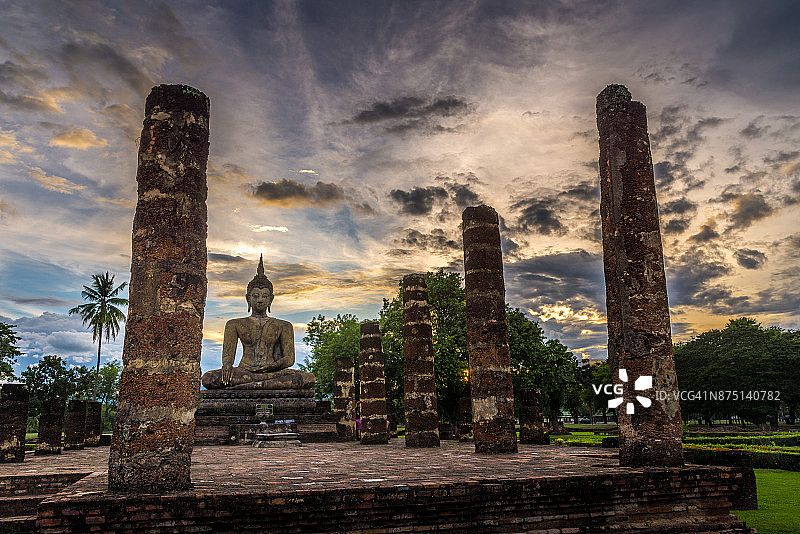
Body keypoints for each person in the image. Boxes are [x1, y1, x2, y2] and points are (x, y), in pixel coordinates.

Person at [201, 255, 315, 390]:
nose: (260, 300)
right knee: (208, 379)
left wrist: (272, 367)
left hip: (273, 372)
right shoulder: (234, 324)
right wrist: (227, 367)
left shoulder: (284, 326)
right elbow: (228, 357)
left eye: (265, 296)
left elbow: (289, 359)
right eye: (255, 296)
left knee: (308, 378)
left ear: (271, 299)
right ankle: (259, 385)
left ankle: (248, 386)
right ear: (248, 299)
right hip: (244, 372)